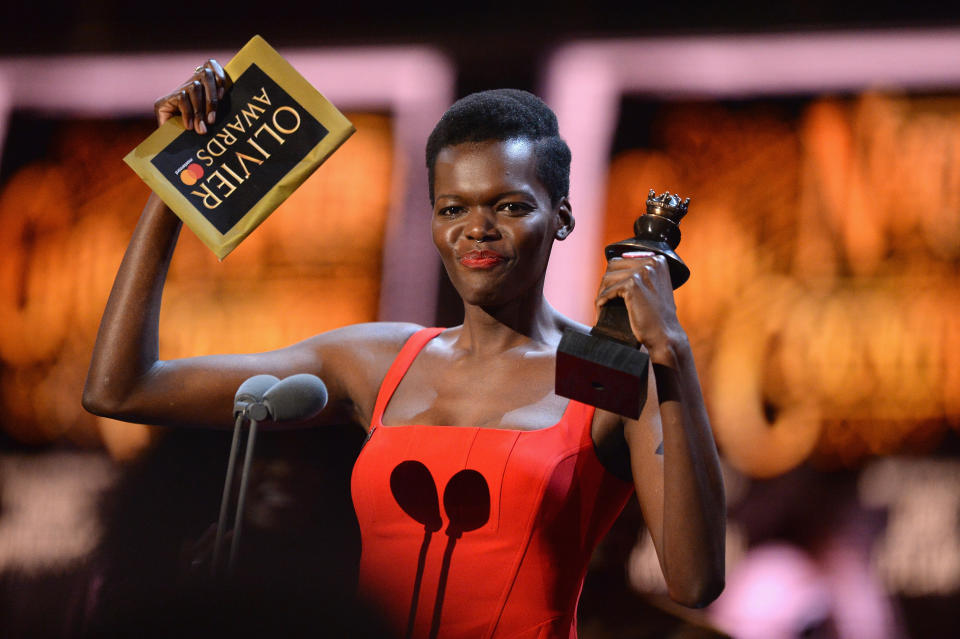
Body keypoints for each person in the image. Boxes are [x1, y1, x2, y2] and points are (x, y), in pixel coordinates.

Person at [83, 60, 725, 639]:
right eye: (452, 208)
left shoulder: (598, 371)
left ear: (561, 217)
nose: (477, 228)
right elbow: (122, 388)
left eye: (509, 205)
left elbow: (694, 585)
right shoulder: (379, 362)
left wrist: (672, 352)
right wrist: (172, 181)